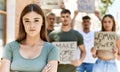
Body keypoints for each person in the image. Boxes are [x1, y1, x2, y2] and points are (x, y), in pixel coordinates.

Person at [0, 4, 58, 72]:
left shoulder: (51, 49)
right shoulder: (10, 47)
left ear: (42, 22)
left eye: (36, 20)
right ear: (22, 23)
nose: (32, 25)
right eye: (27, 21)